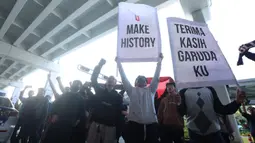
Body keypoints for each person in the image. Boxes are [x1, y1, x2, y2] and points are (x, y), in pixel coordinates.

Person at [116, 53, 163, 143]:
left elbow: (156, 77)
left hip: (151, 125)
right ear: (135, 83)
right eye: (138, 79)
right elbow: (123, 77)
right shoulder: (131, 90)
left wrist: (159, 62)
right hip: (134, 126)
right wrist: (119, 63)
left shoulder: (151, 90)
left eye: (143, 79)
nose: (141, 80)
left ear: (146, 83)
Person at [179, 87, 246, 143]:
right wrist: (177, 104)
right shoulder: (183, 92)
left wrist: (237, 102)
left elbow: (222, 110)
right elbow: (181, 113)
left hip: (214, 135)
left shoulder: (210, 89)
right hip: (195, 135)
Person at [86, 59, 123, 143]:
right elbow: (93, 79)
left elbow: (119, 114)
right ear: (106, 82)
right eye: (109, 79)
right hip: (96, 124)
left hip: (110, 127)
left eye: (112, 79)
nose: (110, 79)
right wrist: (99, 65)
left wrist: (118, 132)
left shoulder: (118, 97)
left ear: (115, 83)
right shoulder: (99, 91)